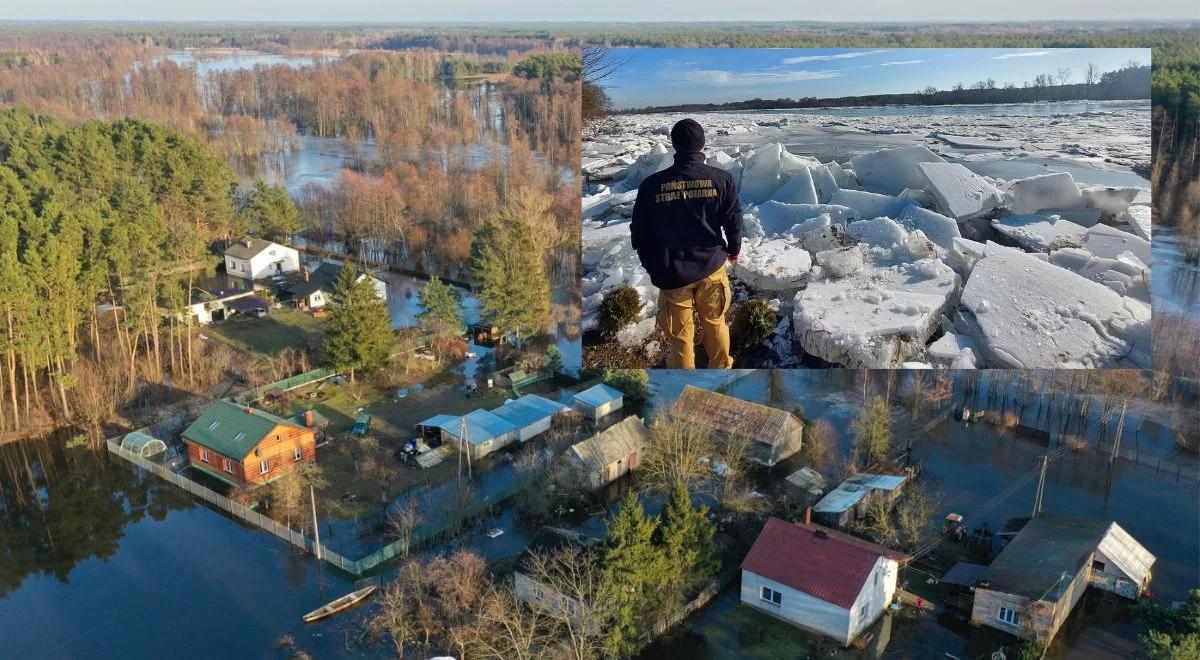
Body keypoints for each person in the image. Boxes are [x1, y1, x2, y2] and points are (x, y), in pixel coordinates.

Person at [630, 118, 742, 369]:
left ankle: (683, 387)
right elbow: (733, 220)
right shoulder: (721, 179)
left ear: (675, 146)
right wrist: (733, 250)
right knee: (716, 324)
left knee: (680, 339)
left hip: (672, 275)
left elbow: (639, 233)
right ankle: (721, 374)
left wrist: (654, 267)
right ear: (703, 145)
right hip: (711, 269)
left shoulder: (651, 185)